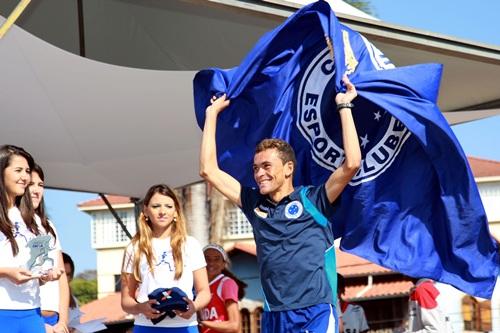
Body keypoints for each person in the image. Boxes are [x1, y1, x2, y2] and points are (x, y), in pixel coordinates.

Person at [199, 75, 361, 332]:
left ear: (288, 168)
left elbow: (351, 164)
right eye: (255, 168)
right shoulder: (254, 203)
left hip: (315, 310)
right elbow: (209, 170)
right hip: (275, 315)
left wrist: (344, 106)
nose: (259, 173)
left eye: (266, 166)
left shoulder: (313, 199)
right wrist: (211, 114)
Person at [121, 184, 211, 332]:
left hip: (185, 327)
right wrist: (140, 307)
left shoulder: (191, 244)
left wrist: (194, 306)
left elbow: (204, 292)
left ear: (176, 211)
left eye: (168, 206)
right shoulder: (134, 248)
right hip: (146, 327)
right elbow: (125, 301)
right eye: (156, 206)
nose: (162, 211)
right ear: (145, 210)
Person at [0, 144, 63, 333]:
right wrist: (6, 272)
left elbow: (36, 265)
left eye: (27, 171)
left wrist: (47, 274)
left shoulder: (34, 220)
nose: (24, 177)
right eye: (18, 170)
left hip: (32, 312)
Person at [30, 164, 70, 333]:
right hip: (29, 317)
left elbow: (62, 279)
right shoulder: (8, 225)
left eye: (41, 185)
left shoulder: (48, 227)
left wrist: (63, 322)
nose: (36, 190)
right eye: (31, 184)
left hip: (54, 320)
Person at [199, 244, 246, 333]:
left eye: (217, 259)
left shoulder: (226, 283)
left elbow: (234, 325)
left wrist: (203, 323)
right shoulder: (199, 287)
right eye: (207, 259)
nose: (211, 263)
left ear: (223, 264)